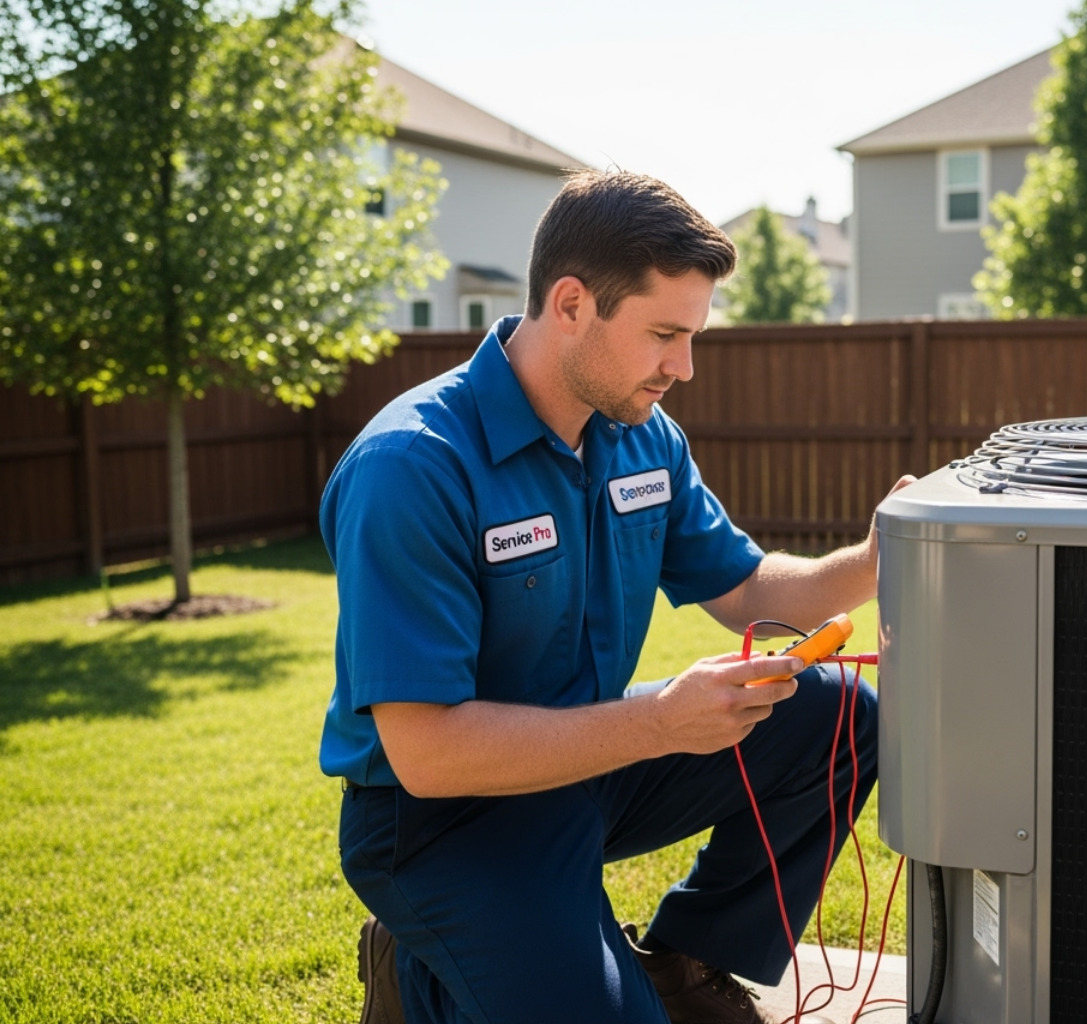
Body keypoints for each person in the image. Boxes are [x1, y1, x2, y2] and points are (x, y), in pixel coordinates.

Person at [319, 169, 912, 1024]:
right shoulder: (412, 466)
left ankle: (687, 964)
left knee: (839, 716)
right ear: (570, 305)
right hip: (441, 818)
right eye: (665, 334)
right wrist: (662, 722)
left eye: (693, 335)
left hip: (591, 766)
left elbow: (747, 589)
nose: (685, 367)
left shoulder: (641, 438)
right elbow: (428, 753)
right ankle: (421, 974)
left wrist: (876, 556)